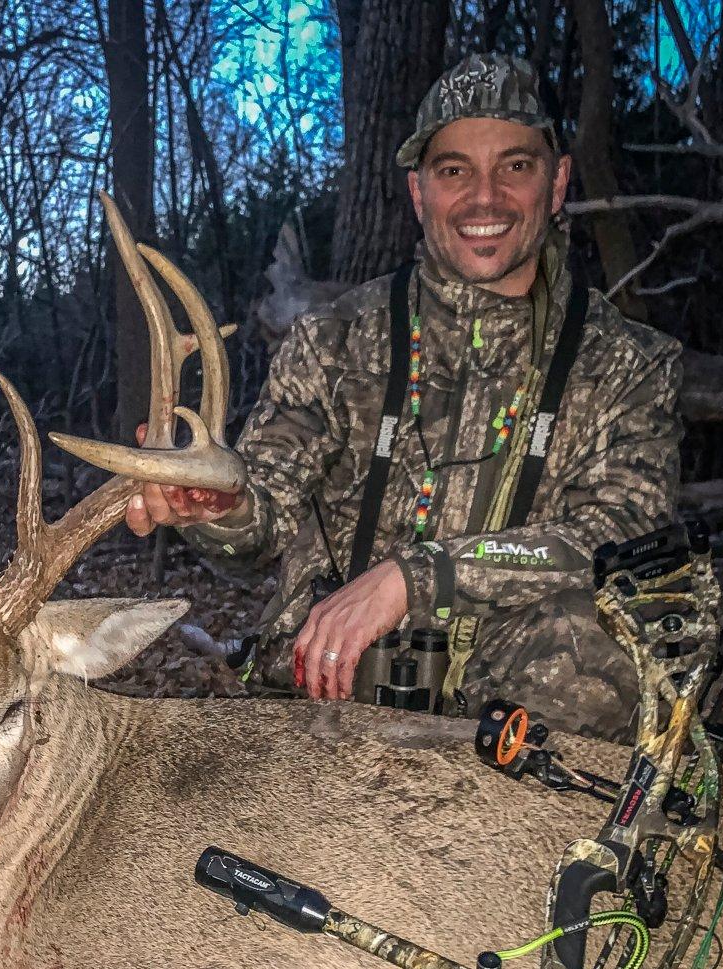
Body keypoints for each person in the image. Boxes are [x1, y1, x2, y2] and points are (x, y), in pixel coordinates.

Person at [124, 53, 682, 740]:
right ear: (419, 192)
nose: (485, 198)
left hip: (514, 716)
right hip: (330, 694)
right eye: (454, 171)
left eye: (515, 165)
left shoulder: (629, 363)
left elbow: (620, 532)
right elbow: (260, 523)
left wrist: (414, 577)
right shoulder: (333, 341)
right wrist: (218, 505)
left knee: (599, 646)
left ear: (558, 180)